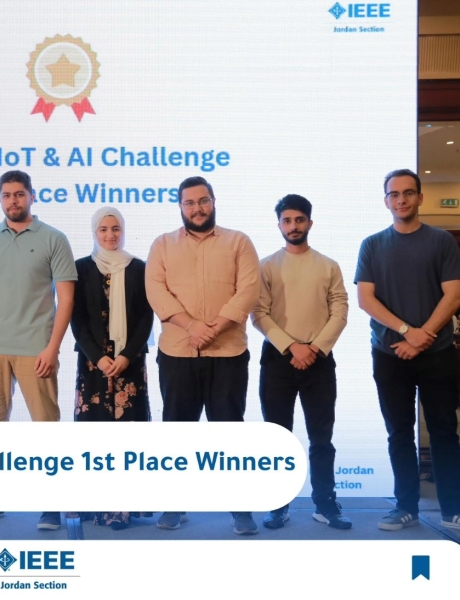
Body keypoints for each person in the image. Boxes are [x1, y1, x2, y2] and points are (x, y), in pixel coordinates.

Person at [356, 168, 460, 532]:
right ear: (386, 201)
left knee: (444, 431)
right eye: (394, 194)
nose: (401, 199)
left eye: (408, 193)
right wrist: (409, 333)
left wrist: (424, 336)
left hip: (437, 353)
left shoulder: (441, 241)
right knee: (399, 433)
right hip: (389, 355)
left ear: (420, 197)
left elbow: (455, 294)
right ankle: (405, 507)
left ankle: (453, 510)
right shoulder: (372, 244)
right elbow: (366, 299)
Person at [145, 176, 260, 535]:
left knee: (230, 433)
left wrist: (214, 328)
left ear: (213, 201)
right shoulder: (162, 245)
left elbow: (248, 290)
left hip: (228, 353)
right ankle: (174, 505)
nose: (197, 208)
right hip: (177, 353)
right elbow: (156, 291)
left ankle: (240, 510)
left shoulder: (239, 242)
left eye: (203, 201)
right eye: (190, 202)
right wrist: (191, 325)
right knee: (177, 433)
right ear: (180, 206)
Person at [0, 170, 77, 531]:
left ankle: (51, 506)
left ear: (32, 196)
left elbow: (66, 299)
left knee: (45, 429)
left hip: (36, 349)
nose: (13, 200)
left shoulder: (54, 238)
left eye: (19, 194)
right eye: (6, 195)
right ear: (0, 199)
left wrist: (53, 348)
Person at [251, 194, 351, 530]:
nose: (293, 226)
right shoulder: (266, 265)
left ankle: (325, 504)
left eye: (299, 220)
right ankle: (278, 505)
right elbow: (258, 313)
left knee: (322, 438)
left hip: (319, 361)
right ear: (279, 224)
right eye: (287, 220)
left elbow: (340, 311)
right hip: (278, 360)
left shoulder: (329, 265)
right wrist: (292, 346)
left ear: (309, 222)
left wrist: (314, 348)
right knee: (278, 438)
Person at [71, 206, 154, 530]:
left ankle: (122, 508)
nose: (110, 235)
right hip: (93, 365)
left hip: (128, 364)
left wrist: (126, 356)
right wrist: (98, 356)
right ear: (94, 232)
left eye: (116, 228)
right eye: (103, 229)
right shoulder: (80, 268)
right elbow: (76, 318)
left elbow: (146, 317)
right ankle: (94, 505)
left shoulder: (139, 268)